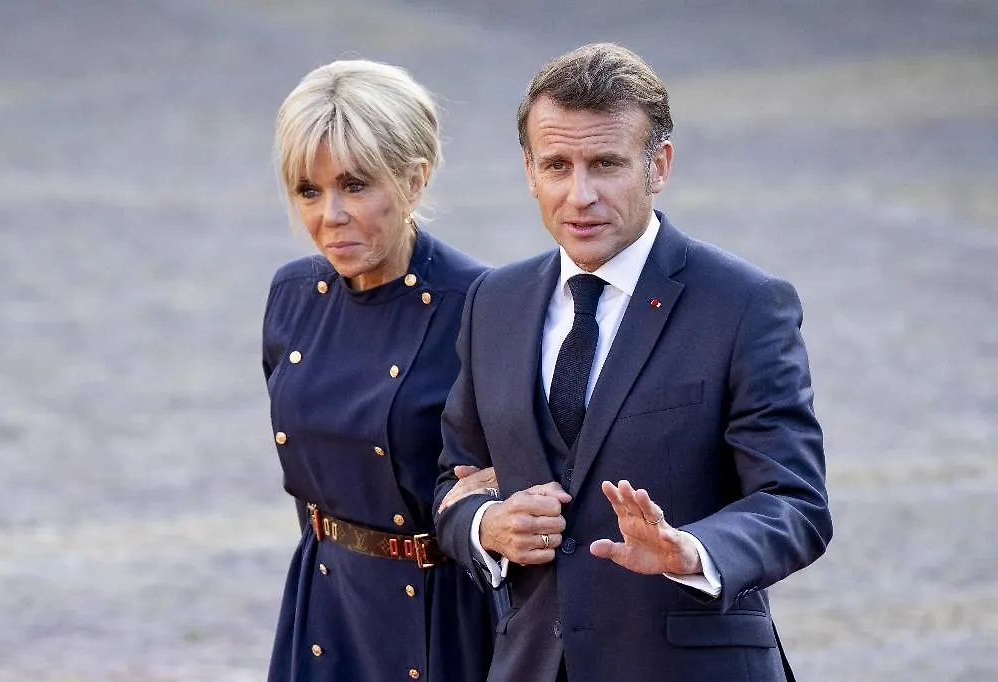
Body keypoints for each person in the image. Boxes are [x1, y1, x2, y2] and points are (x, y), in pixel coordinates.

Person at [433, 43, 832, 682]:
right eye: (557, 165)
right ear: (530, 171)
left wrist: (692, 550)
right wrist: (487, 526)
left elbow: (795, 502)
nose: (580, 195)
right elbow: (453, 482)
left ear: (658, 166)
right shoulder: (493, 302)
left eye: (606, 164)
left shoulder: (745, 304)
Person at [263, 59, 493, 682]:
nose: (330, 215)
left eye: (355, 185)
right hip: (325, 604)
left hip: (443, 617)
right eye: (309, 191)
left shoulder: (483, 308)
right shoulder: (292, 297)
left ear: (415, 180)